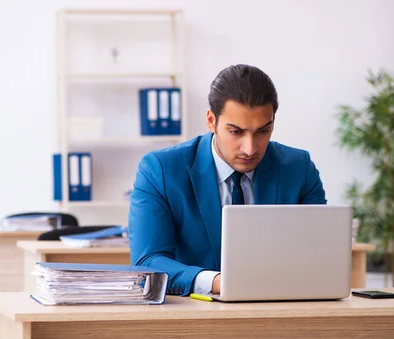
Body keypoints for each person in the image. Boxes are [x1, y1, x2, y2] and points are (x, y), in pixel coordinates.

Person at [128, 64, 326, 297]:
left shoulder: (299, 168)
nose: (250, 148)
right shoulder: (160, 170)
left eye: (263, 131)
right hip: (192, 316)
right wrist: (218, 282)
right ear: (211, 121)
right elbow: (148, 263)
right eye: (236, 132)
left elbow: (319, 253)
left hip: (281, 309)